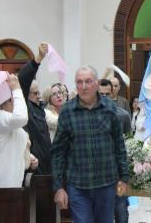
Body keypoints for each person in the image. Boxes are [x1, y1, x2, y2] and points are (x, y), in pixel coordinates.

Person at [51, 65, 129, 223]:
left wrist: (124, 179)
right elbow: (58, 152)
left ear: (97, 83)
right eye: (79, 82)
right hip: (78, 186)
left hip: (107, 184)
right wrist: (58, 187)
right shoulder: (67, 111)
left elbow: (119, 146)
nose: (84, 86)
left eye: (88, 81)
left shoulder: (110, 108)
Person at [0, 73, 38, 187]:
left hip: (14, 189)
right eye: (17, 98)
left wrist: (31, 158)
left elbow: (16, 156)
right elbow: (21, 117)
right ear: (9, 100)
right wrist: (17, 89)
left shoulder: (18, 129)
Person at [98, 78, 131, 223]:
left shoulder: (123, 115)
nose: (104, 97)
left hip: (117, 172)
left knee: (121, 209)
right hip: (97, 172)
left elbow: (129, 143)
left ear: (113, 93)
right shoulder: (89, 115)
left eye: (107, 94)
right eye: (101, 94)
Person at [18, 43, 52, 174]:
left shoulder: (40, 109)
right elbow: (23, 80)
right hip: (33, 169)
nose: (39, 96)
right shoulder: (25, 108)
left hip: (46, 167)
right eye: (35, 93)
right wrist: (38, 58)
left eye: (39, 93)